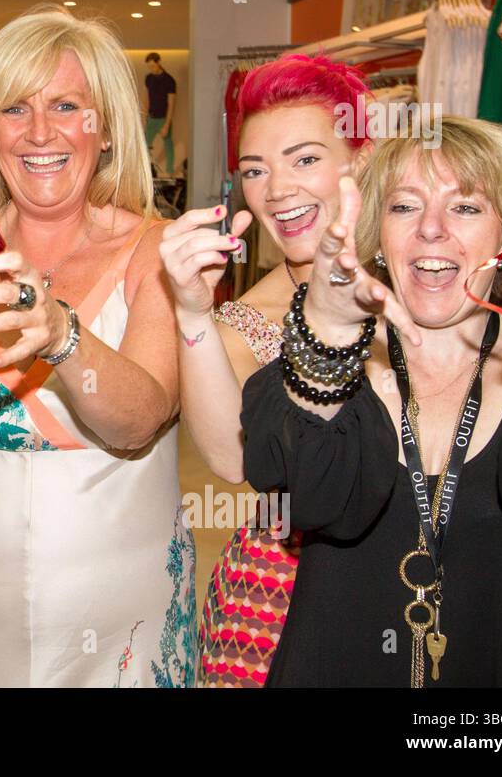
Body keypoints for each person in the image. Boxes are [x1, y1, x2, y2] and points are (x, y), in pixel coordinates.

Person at [243, 117, 502, 686]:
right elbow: (304, 496)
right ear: (376, 233)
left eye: (466, 208)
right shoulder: (330, 366)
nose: (431, 229)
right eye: (404, 207)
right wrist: (327, 330)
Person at [0, 5, 184, 687]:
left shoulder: (159, 250)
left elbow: (140, 418)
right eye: (15, 109)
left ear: (106, 128)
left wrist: (62, 334)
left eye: (66, 106)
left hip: (122, 619)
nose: (40, 133)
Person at [160, 54, 373, 686]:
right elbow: (230, 459)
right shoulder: (244, 322)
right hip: (279, 598)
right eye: (255, 170)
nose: (278, 190)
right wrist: (194, 314)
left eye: (305, 159)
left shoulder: (425, 278)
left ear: (359, 162)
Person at [144, 52, 177, 174]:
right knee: (144, 145)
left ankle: (170, 171)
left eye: (153, 66)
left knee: (168, 144)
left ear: (158, 63)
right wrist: (145, 116)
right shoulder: (148, 78)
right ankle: (146, 170)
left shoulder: (169, 80)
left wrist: (167, 124)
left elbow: (172, 103)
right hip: (151, 118)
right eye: (149, 67)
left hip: (163, 118)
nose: (151, 69)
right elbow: (147, 97)